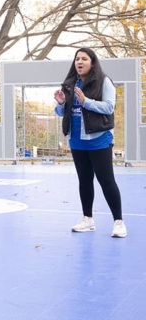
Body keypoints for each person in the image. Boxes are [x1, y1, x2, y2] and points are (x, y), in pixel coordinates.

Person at [53, 47, 125, 238]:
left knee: (106, 180)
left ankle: (118, 222)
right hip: (76, 140)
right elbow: (62, 113)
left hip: (98, 139)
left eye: (84, 59)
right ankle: (87, 219)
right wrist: (60, 103)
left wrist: (86, 101)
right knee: (84, 180)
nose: (80, 62)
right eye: (77, 59)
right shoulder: (69, 84)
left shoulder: (104, 81)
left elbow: (109, 107)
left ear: (92, 62)